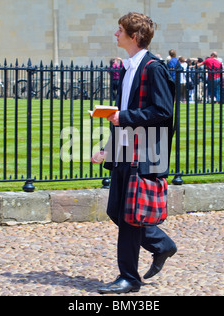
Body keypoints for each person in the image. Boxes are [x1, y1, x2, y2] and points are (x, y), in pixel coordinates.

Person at [91, 12, 177, 294]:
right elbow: (123, 114)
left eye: (120, 30)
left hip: (144, 150)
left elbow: (163, 112)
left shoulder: (154, 68)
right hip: (125, 149)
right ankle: (160, 244)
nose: (116, 34)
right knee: (117, 210)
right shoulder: (129, 68)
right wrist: (107, 149)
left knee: (128, 217)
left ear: (134, 36)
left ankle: (129, 278)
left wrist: (124, 117)